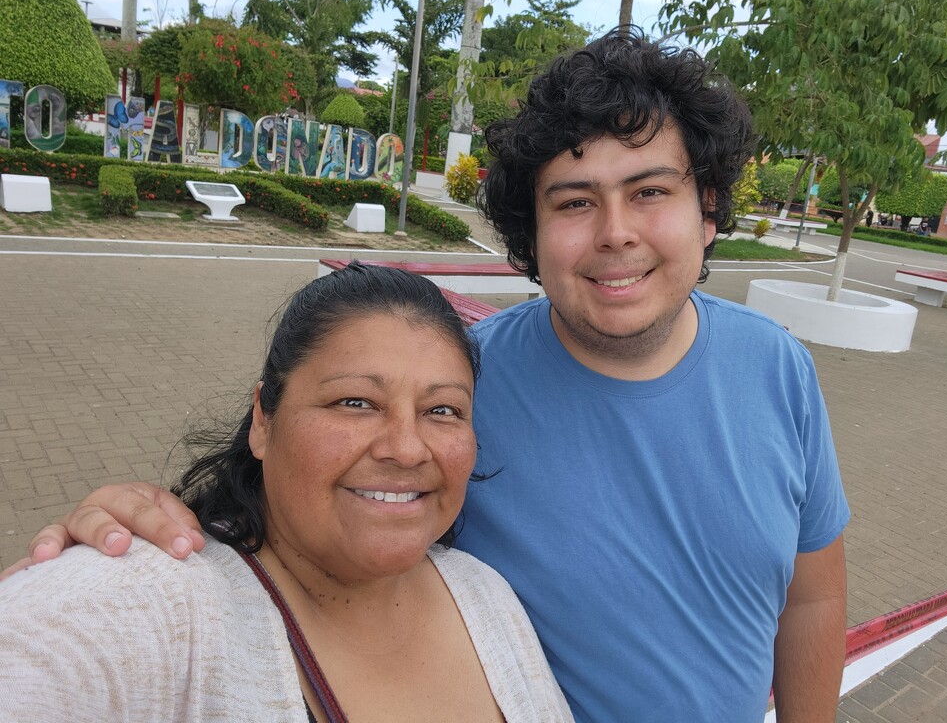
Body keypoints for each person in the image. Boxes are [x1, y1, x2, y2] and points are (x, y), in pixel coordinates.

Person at [7, 29, 849, 723]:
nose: (615, 233)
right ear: (531, 229)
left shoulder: (780, 370)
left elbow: (809, 601)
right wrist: (131, 535)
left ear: (707, 208)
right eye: (574, 201)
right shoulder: (466, 380)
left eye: (650, 191)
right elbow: (296, 513)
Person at [0, 263, 573, 722]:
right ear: (263, 420)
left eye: (442, 410)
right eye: (355, 402)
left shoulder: (483, 595)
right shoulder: (149, 605)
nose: (406, 448)